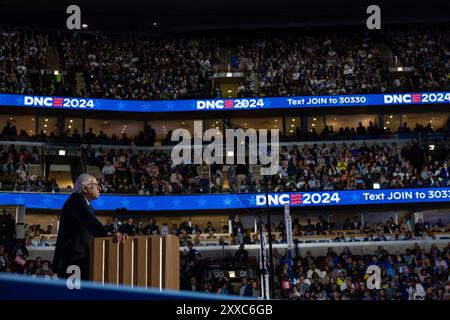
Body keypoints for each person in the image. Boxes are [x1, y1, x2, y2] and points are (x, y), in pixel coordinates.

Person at [52, 174, 127, 280]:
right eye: (96, 184)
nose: (99, 188)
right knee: (73, 295)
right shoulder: (76, 201)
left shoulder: (85, 204)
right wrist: (108, 234)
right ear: (84, 188)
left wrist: (109, 233)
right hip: (72, 260)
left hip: (79, 258)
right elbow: (91, 222)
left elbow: (90, 226)